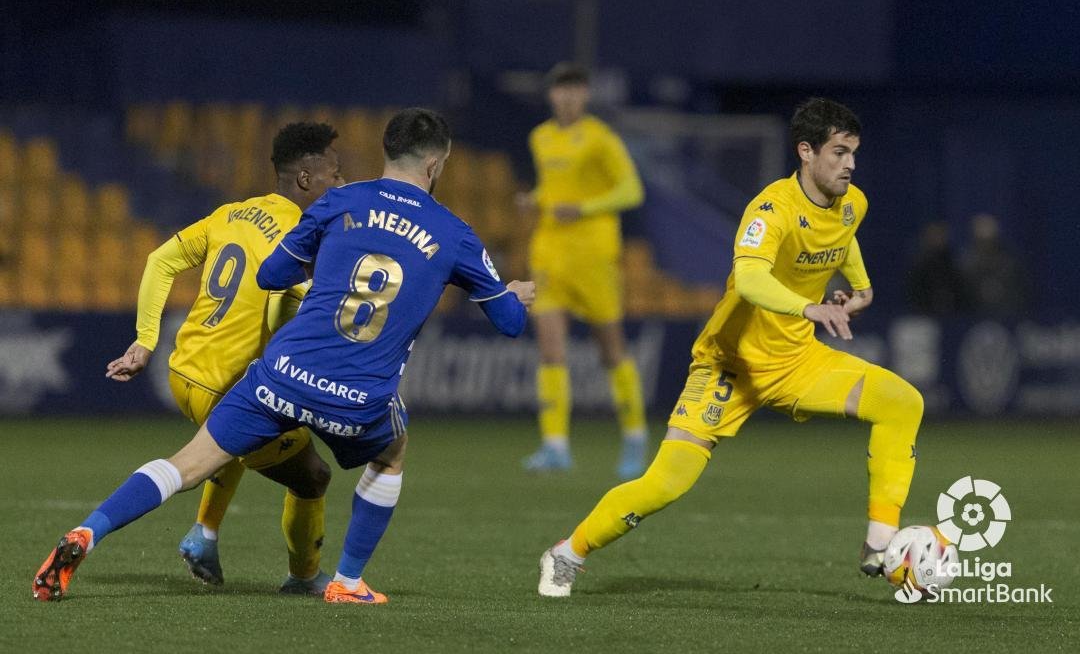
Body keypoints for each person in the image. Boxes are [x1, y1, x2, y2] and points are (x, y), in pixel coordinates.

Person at [34, 108, 534, 605]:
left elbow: (271, 274)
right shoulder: (455, 234)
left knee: (185, 465)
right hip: (357, 396)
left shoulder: (339, 201)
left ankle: (87, 532)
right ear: (436, 166)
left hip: (283, 375)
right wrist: (511, 294)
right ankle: (347, 582)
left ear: (386, 151)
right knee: (391, 451)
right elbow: (510, 323)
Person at [537, 98, 924, 597]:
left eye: (853, 152)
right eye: (838, 152)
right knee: (666, 483)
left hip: (797, 360)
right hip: (730, 363)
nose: (849, 163)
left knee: (902, 403)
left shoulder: (854, 201)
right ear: (806, 152)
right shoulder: (771, 209)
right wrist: (810, 308)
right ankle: (566, 553)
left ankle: (880, 541)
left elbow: (842, 235)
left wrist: (862, 289)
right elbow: (749, 277)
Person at [105, 121, 343, 593]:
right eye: (334, 176)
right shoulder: (301, 235)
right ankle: (304, 578)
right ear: (305, 178)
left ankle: (205, 534)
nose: (340, 184)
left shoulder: (232, 213)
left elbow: (159, 261)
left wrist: (145, 339)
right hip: (222, 385)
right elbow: (281, 307)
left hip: (182, 371)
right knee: (313, 476)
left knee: (241, 425)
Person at [520, 62, 647, 478]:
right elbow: (556, 190)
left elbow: (632, 190)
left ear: (586, 94)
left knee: (611, 350)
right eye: (561, 89)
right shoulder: (539, 138)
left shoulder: (600, 139)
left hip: (594, 255)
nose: (567, 96)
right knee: (550, 350)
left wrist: (586, 208)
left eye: (575, 89)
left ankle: (634, 436)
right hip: (550, 252)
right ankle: (555, 446)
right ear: (551, 95)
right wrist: (535, 198)